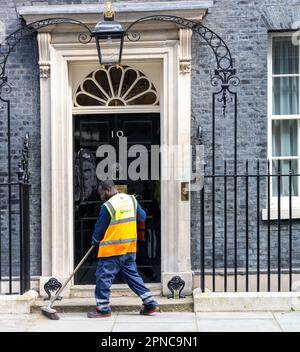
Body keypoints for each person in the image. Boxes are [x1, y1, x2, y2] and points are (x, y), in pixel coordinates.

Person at [87, 180, 160, 318]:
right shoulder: (131, 199)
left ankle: (103, 309)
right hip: (129, 248)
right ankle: (150, 303)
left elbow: (100, 226)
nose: (101, 196)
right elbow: (142, 217)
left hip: (112, 250)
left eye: (101, 193)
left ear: (107, 190)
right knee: (133, 277)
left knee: (103, 277)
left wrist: (95, 240)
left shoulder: (108, 206)